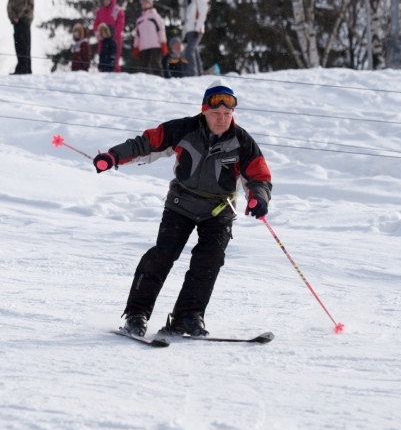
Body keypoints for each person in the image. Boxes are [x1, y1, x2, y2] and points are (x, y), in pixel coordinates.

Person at [92, 80, 272, 338]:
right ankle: (136, 315)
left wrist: (259, 198)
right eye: (215, 114)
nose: (221, 119)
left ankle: (187, 318)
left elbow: (259, 176)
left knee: (209, 261)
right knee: (162, 255)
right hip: (180, 204)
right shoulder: (182, 129)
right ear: (204, 111)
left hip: (219, 210)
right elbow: (145, 144)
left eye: (226, 114)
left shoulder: (242, 142)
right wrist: (112, 157)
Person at [3, 0, 37, 75]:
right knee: (21, 45)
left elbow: (24, 4)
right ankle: (24, 68)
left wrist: (18, 16)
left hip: (22, 20)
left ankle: (23, 69)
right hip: (19, 21)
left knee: (23, 45)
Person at [133, 0, 167, 76]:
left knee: (156, 64)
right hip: (143, 47)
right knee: (144, 66)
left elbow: (161, 30)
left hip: (155, 45)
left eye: (146, 3)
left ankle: (159, 80)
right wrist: (136, 47)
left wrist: (163, 43)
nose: (144, 5)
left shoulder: (155, 17)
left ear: (150, 4)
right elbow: (137, 36)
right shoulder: (139, 20)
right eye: (143, 3)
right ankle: (146, 83)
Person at [93, 0, 125, 72]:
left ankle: (116, 78)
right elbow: (96, 24)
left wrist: (111, 35)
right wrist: (99, 34)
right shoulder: (100, 12)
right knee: (102, 59)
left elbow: (120, 24)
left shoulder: (118, 10)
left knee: (114, 60)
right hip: (102, 40)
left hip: (115, 40)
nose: (105, 0)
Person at [183, 0, 208, 76]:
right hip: (191, 30)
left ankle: (192, 74)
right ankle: (199, 73)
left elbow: (202, 16)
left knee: (189, 52)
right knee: (194, 52)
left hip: (195, 30)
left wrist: (197, 29)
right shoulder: (193, 2)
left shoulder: (200, 0)